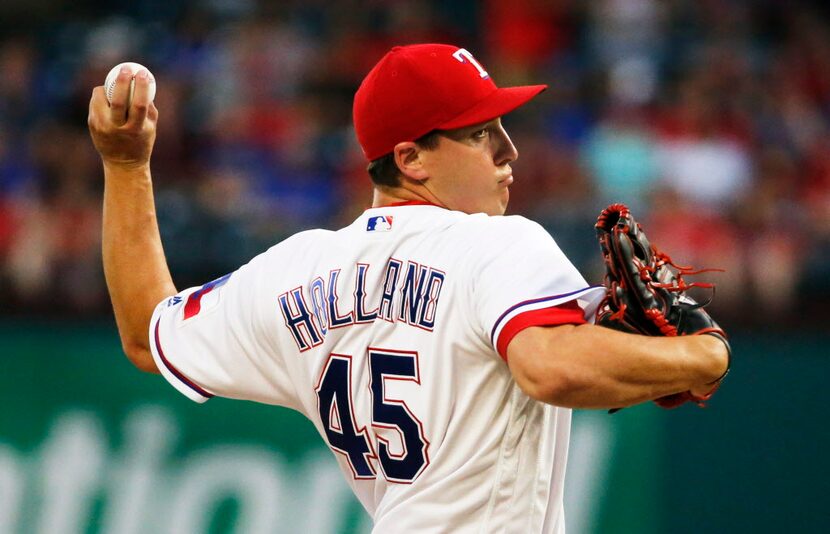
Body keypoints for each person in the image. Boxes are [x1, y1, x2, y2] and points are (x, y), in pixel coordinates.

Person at [88, 44, 728, 533]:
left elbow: (148, 333)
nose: (509, 152)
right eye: (482, 134)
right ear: (411, 159)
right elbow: (550, 367)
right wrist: (701, 356)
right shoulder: (496, 243)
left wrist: (124, 165)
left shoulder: (296, 269)